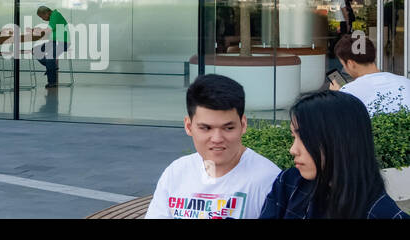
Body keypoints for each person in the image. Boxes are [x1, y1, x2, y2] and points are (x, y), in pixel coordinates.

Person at [145, 74, 280, 219]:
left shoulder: (268, 180)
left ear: (243, 125)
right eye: (206, 128)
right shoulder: (176, 173)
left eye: (228, 128)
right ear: (188, 126)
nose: (217, 139)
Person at [261, 89, 407, 219]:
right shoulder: (289, 182)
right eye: (294, 137)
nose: (293, 149)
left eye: (304, 138)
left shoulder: (381, 213)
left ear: (338, 141)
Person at [328, 33, 410, 114]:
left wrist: (336, 96)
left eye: (343, 65)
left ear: (350, 63)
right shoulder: (405, 82)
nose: (344, 69)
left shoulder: (347, 93)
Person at [34, 5, 69, 89]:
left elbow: (49, 28)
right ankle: (52, 67)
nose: (42, 19)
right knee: (36, 50)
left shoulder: (55, 15)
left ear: (47, 13)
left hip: (62, 42)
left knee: (50, 58)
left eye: (42, 17)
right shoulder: (53, 16)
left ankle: (52, 82)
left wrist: (39, 31)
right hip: (53, 42)